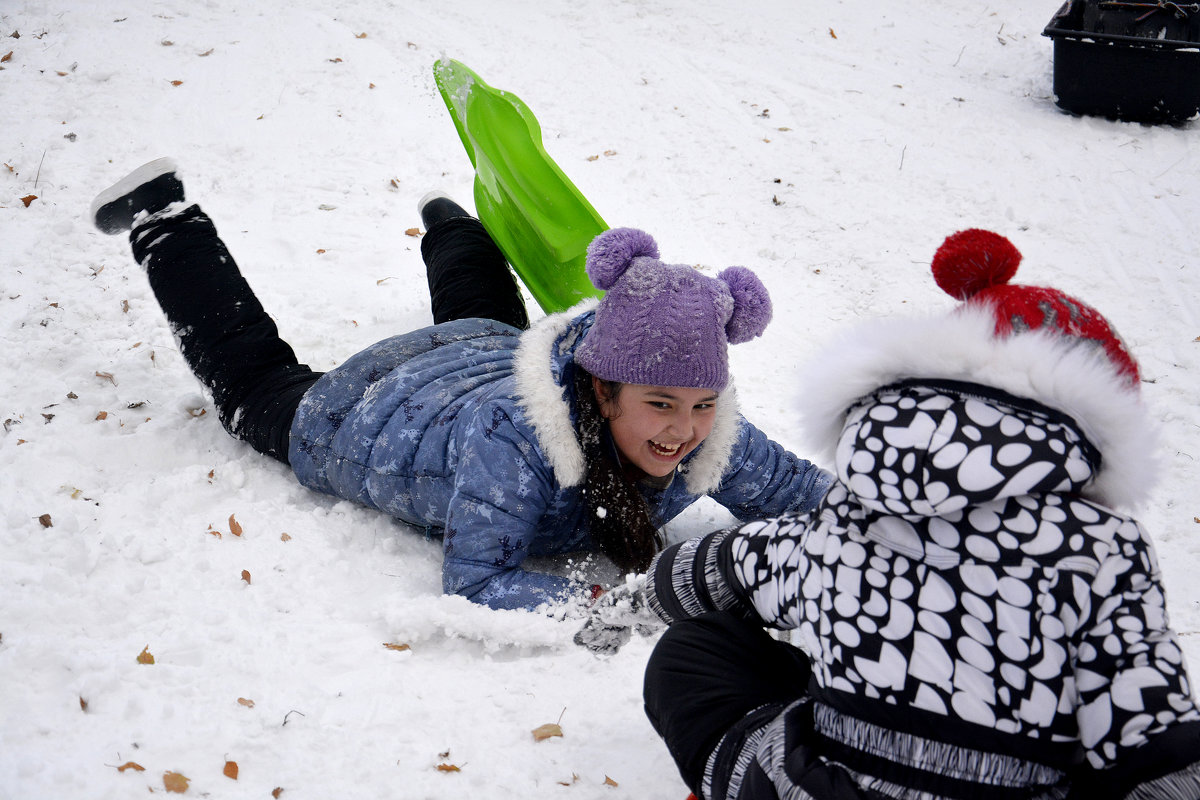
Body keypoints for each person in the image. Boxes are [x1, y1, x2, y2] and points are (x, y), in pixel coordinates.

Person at [90, 158, 833, 611]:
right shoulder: (522, 435)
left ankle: (450, 221)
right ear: (603, 391)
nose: (683, 427)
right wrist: (628, 604)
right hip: (372, 408)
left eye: (704, 404)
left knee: (485, 321)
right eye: (661, 404)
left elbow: (810, 496)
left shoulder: (707, 432)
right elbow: (478, 581)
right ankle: (164, 217)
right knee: (255, 384)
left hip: (485, 357)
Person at [641, 229, 1200, 799]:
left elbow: (744, 563)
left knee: (693, 653)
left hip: (818, 789)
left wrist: (656, 587)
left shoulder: (852, 510)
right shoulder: (1101, 548)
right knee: (1094, 729)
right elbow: (1150, 740)